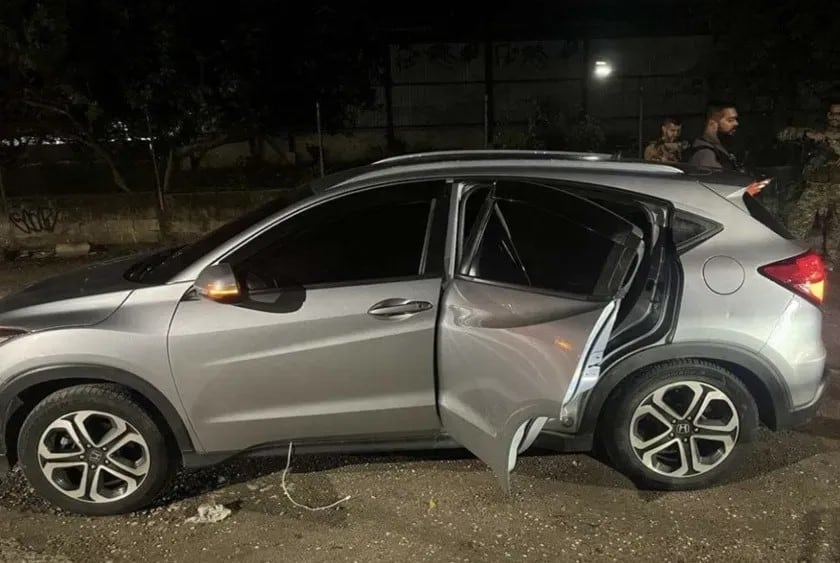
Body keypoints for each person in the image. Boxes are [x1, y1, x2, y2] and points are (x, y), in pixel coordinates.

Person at [777, 101, 840, 269]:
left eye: (839, 114)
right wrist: (807, 134)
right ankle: (789, 256)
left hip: (837, 188)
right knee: (797, 224)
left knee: (835, 227)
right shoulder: (815, 131)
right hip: (814, 187)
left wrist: (830, 143)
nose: (835, 118)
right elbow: (782, 134)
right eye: (832, 114)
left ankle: (830, 261)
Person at [685, 101, 742, 171]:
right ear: (712, 123)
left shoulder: (720, 151)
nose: (736, 123)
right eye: (730, 120)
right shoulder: (706, 155)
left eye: (736, 120)